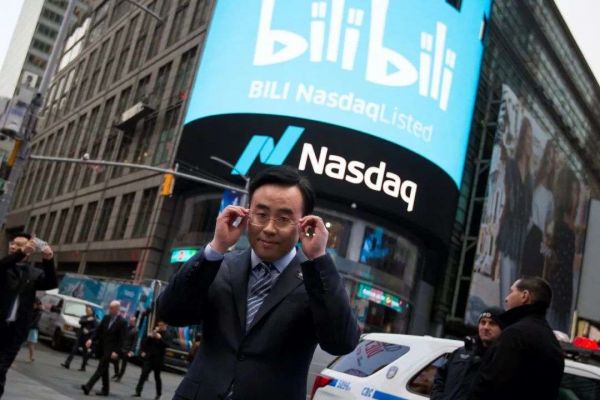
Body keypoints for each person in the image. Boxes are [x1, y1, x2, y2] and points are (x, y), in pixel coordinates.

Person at [158, 166, 360, 400]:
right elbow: (170, 312)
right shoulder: (218, 266)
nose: (269, 229)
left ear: (304, 223)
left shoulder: (316, 282)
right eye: (261, 215)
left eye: (283, 219)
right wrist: (216, 248)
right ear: (247, 214)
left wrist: (319, 259)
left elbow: (342, 343)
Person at [469, 277, 564, 400]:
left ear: (524, 296)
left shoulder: (515, 334)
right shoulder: (552, 342)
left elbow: (492, 384)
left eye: (511, 292)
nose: (506, 298)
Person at [0, 233, 57, 398]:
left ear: (30, 250)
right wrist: (21, 252)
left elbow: (50, 283)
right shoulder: (4, 267)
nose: (13, 246)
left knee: (1, 369)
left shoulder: (33, 273)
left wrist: (48, 259)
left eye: (19, 245)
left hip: (16, 331)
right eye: (13, 243)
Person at [493, 118, 533, 304]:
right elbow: (507, 203)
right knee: (507, 292)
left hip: (522, 239)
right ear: (522, 139)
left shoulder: (530, 177)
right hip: (509, 234)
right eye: (527, 137)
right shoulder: (511, 166)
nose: (529, 143)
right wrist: (496, 250)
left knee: (517, 288)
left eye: (531, 139)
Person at [431, 307, 503, 400]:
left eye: (492, 323)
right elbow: (440, 377)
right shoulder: (461, 352)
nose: (486, 327)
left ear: (502, 328)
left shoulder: (502, 358)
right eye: (483, 322)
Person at [81, 300, 127, 397]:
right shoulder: (106, 318)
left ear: (117, 309)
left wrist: (116, 351)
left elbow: (122, 340)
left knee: (101, 367)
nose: (109, 310)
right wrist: (91, 339)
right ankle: (105, 390)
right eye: (109, 307)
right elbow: (98, 330)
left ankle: (88, 386)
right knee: (104, 369)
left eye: (111, 308)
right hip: (102, 347)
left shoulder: (122, 322)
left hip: (111, 350)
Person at [132, 321, 172, 399]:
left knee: (157, 377)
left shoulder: (168, 334)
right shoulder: (155, 332)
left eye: (161, 325)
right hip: (149, 358)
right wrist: (150, 336)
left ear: (165, 325)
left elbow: (167, 345)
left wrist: (160, 339)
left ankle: (158, 394)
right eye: (159, 325)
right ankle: (138, 391)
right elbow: (146, 343)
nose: (160, 327)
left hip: (158, 359)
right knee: (143, 374)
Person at [62, 305, 98, 371]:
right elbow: (81, 322)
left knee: (85, 353)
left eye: (89, 310)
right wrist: (88, 319)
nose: (87, 311)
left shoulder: (94, 319)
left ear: (92, 311)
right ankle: (67, 363)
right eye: (87, 310)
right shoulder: (84, 317)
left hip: (87, 338)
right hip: (80, 336)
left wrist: (89, 331)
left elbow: (96, 329)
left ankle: (83, 367)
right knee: (74, 350)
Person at [112, 315, 137, 382]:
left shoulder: (135, 331)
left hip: (127, 350)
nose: (130, 322)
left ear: (134, 322)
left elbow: (135, 342)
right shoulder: (126, 328)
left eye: (132, 321)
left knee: (123, 365)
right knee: (115, 360)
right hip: (121, 347)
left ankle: (119, 377)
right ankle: (117, 373)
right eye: (130, 320)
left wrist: (131, 351)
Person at [25, 297, 43, 363]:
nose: (33, 305)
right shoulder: (34, 310)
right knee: (29, 343)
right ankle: (31, 357)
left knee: (31, 343)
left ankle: (31, 357)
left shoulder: (38, 312)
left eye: (34, 304)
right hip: (31, 328)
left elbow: (34, 321)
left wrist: (28, 326)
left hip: (32, 328)